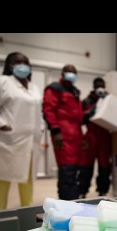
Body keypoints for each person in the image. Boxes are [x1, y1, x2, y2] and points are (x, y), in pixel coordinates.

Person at [0, 52, 42, 210]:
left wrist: (40, 129)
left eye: (25, 62)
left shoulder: (34, 87)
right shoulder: (3, 82)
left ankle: (27, 215)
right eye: (17, 61)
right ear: (9, 65)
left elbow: (37, 112)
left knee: (27, 182)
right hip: (7, 142)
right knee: (1, 182)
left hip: (30, 143)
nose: (22, 65)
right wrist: (1, 123)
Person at [43, 64, 84, 200]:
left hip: (76, 135)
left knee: (74, 170)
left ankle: (73, 200)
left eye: (74, 72)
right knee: (67, 170)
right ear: (62, 73)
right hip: (63, 134)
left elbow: (78, 115)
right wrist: (56, 131)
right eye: (68, 71)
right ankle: (67, 201)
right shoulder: (55, 88)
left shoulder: (75, 91)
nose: (71, 74)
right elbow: (48, 110)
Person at [77, 77, 112, 198]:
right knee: (85, 166)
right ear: (93, 86)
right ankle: (82, 191)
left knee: (104, 167)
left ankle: (103, 191)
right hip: (90, 136)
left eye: (101, 85)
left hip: (105, 136)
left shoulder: (109, 100)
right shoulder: (86, 101)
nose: (99, 88)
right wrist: (94, 108)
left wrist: (105, 100)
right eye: (97, 85)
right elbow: (81, 119)